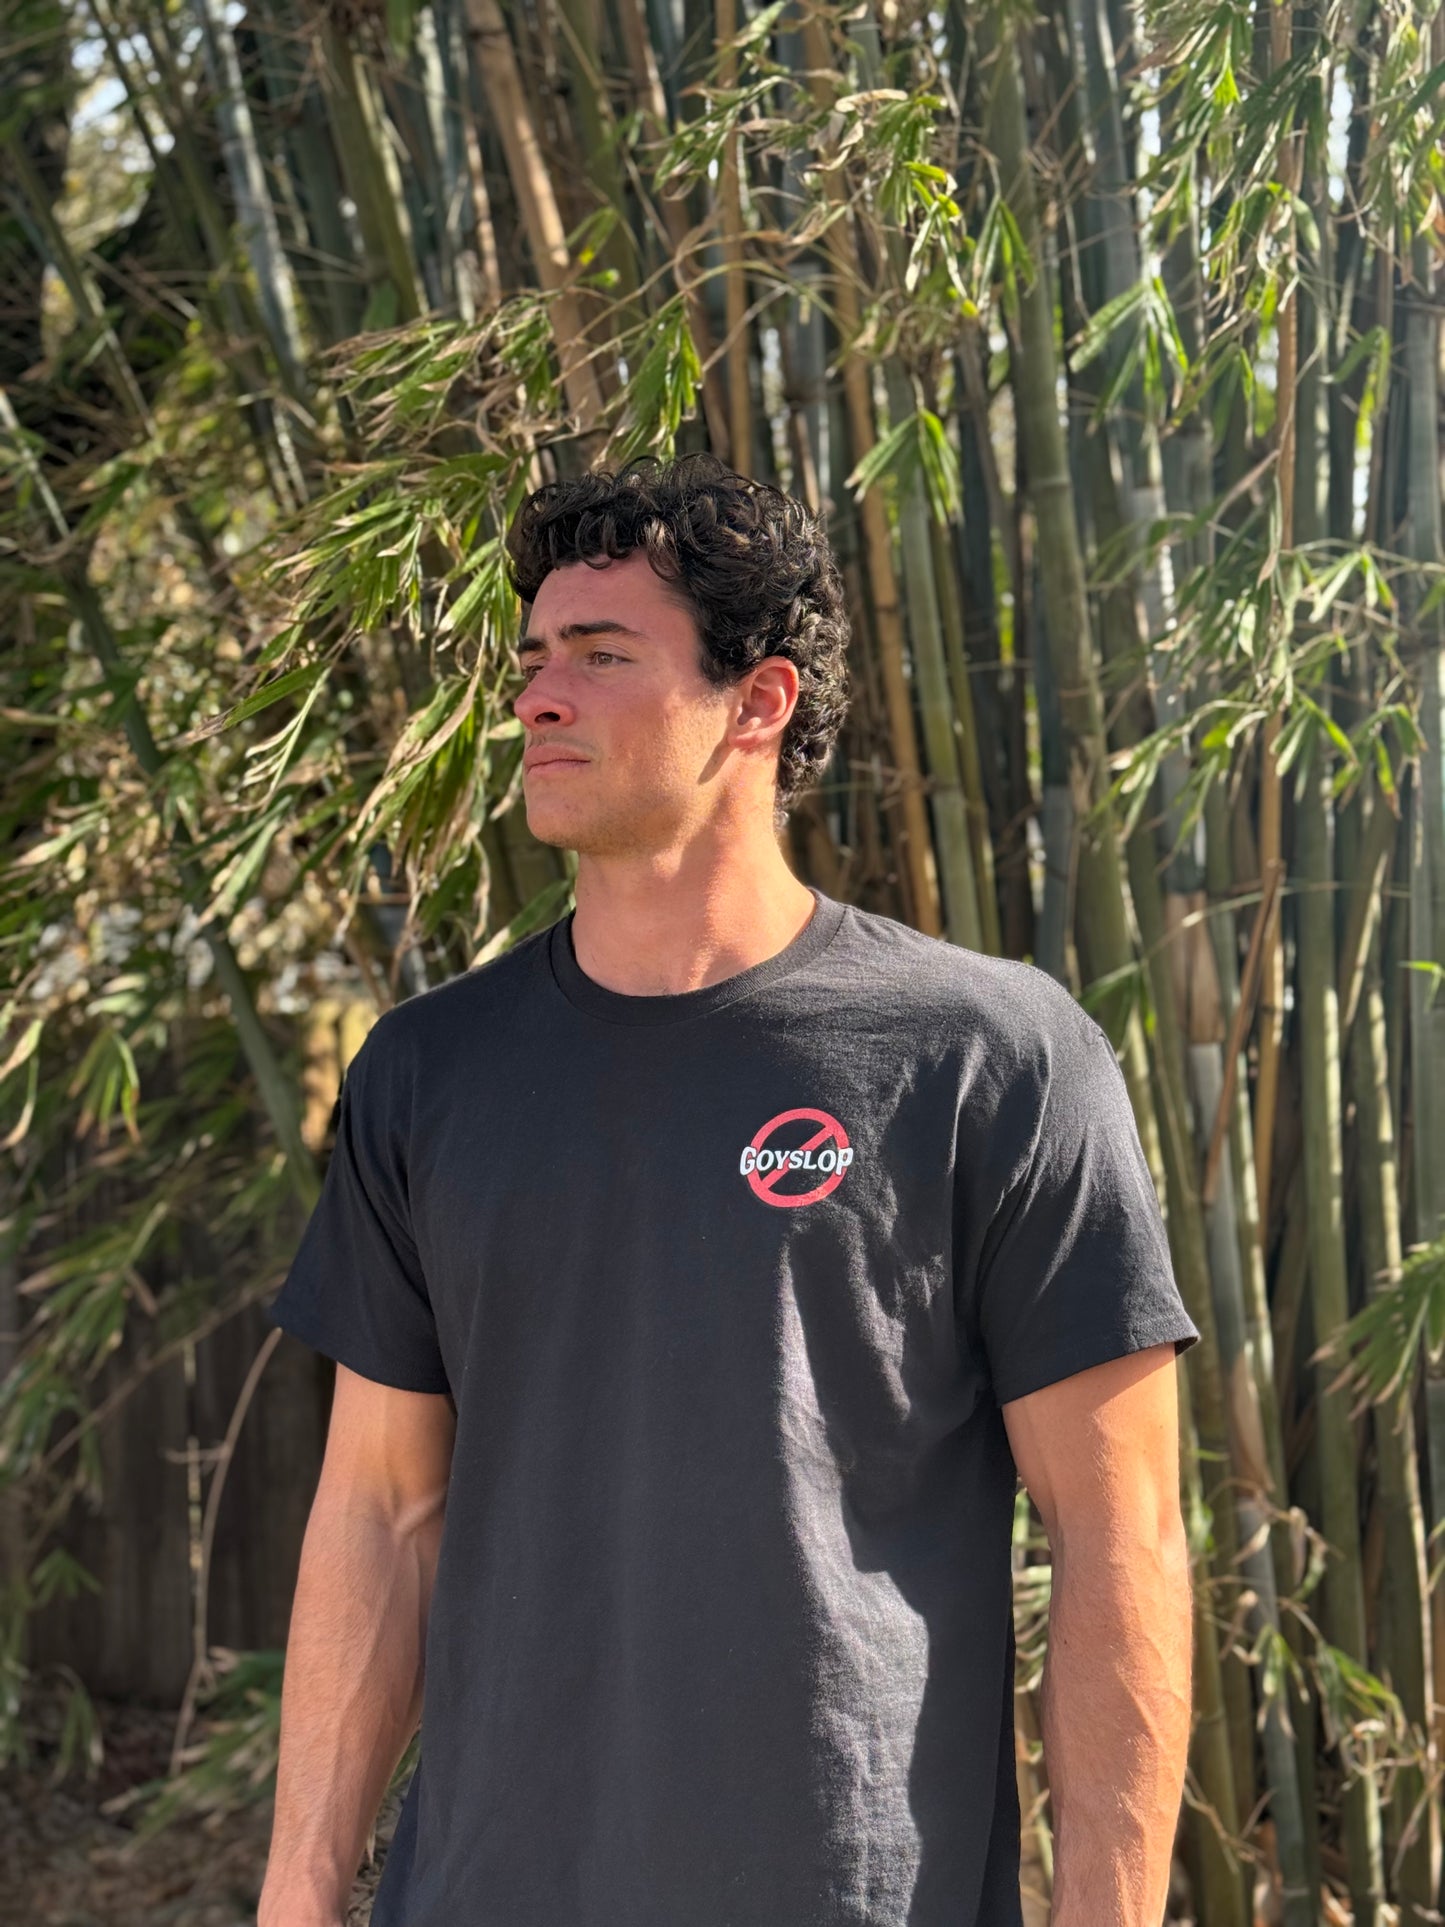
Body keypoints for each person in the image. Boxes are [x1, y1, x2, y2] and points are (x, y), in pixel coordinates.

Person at [258, 454, 1201, 1927]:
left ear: (755, 705)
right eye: (532, 659)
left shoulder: (987, 1058)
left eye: (600, 655)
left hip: (852, 1890)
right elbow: (381, 1511)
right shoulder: (428, 1076)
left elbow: (1117, 1532)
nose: (535, 699)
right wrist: (299, 1890)